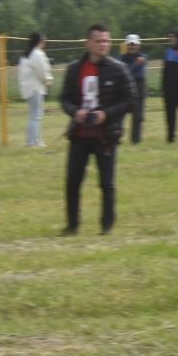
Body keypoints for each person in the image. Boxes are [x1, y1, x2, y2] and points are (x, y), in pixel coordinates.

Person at [59, 24, 131, 235]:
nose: (103, 45)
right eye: (99, 41)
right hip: (79, 135)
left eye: (106, 41)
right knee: (73, 182)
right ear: (87, 43)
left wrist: (105, 114)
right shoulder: (74, 69)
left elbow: (130, 100)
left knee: (106, 183)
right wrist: (75, 112)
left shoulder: (118, 69)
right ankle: (72, 226)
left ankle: (106, 227)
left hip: (106, 136)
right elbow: (64, 98)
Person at [18, 31, 51, 148]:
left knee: (34, 115)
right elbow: (42, 72)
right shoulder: (37, 53)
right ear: (39, 41)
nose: (45, 42)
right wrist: (48, 80)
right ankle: (33, 142)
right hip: (35, 88)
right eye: (44, 40)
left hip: (28, 88)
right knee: (36, 115)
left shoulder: (27, 54)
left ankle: (33, 141)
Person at [119, 34, 148, 145]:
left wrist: (132, 67)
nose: (132, 47)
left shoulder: (144, 57)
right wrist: (135, 64)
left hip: (139, 90)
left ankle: (135, 140)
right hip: (125, 89)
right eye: (130, 44)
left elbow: (139, 74)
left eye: (134, 44)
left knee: (138, 117)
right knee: (120, 115)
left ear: (138, 45)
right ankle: (117, 137)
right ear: (126, 45)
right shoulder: (121, 58)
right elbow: (126, 72)